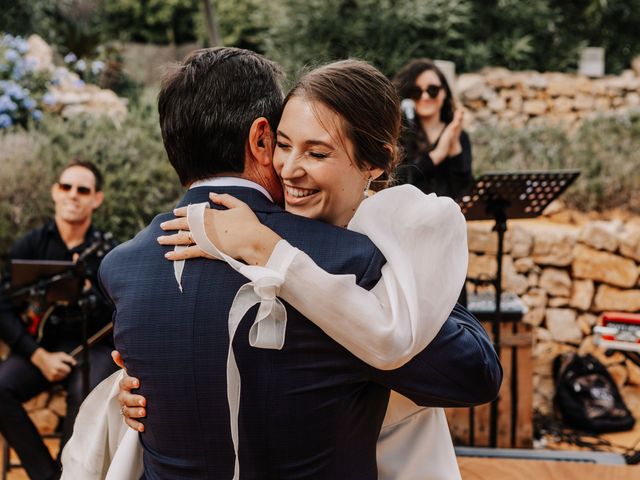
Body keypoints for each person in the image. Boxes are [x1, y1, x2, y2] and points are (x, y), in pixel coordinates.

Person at [63, 48, 501, 479]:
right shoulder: (351, 261)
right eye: (284, 144)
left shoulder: (125, 268)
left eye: (316, 152)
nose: (290, 168)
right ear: (261, 139)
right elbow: (473, 374)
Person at [0, 160, 117, 480]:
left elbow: (118, 313)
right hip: (42, 346)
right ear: (55, 191)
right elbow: (4, 307)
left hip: (91, 348)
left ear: (97, 199)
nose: (73, 195)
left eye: (83, 190)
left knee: (88, 393)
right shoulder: (32, 244)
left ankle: (72, 474)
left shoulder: (109, 252)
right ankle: (49, 475)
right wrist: (37, 355)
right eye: (66, 187)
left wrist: (94, 293)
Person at [393, 59, 473, 200]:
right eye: (416, 91)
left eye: (433, 90)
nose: (425, 96)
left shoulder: (460, 136)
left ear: (444, 93)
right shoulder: (398, 136)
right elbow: (395, 181)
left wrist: (454, 147)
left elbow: (465, 191)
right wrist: (437, 155)